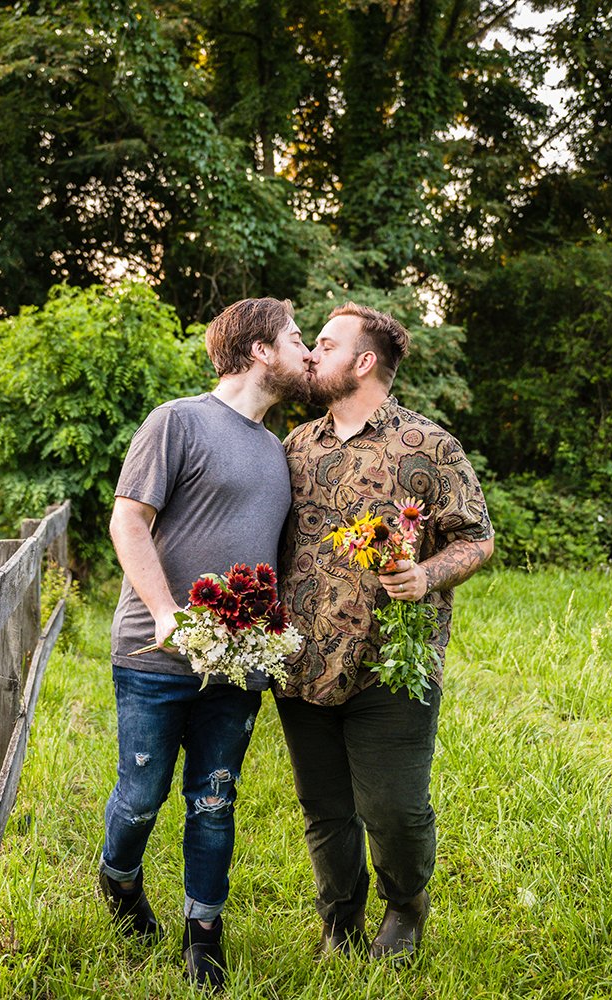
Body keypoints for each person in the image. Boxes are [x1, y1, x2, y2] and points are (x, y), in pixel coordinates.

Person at [98, 297, 309, 991]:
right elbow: (128, 521)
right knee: (141, 796)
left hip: (239, 666)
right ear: (258, 351)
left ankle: (204, 934)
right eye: (297, 338)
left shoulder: (279, 452)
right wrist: (165, 612)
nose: (307, 352)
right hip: (154, 655)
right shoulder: (178, 421)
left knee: (215, 798)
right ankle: (119, 876)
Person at [276, 302, 494, 961]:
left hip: (393, 661)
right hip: (303, 659)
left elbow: (478, 538)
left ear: (364, 361)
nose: (311, 354)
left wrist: (427, 575)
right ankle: (339, 921)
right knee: (324, 808)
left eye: (325, 343)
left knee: (395, 810)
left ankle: (405, 909)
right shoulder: (295, 447)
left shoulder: (429, 447)